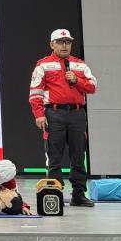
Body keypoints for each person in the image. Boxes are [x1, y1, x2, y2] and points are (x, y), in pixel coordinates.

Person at [28, 28, 97, 207]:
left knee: (78, 156)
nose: (64, 45)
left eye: (67, 42)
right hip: (54, 114)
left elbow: (92, 87)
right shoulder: (43, 65)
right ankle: (55, 194)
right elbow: (35, 93)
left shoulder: (80, 65)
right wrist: (39, 115)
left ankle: (79, 195)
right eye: (60, 42)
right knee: (54, 157)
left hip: (77, 114)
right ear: (52, 44)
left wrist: (76, 80)